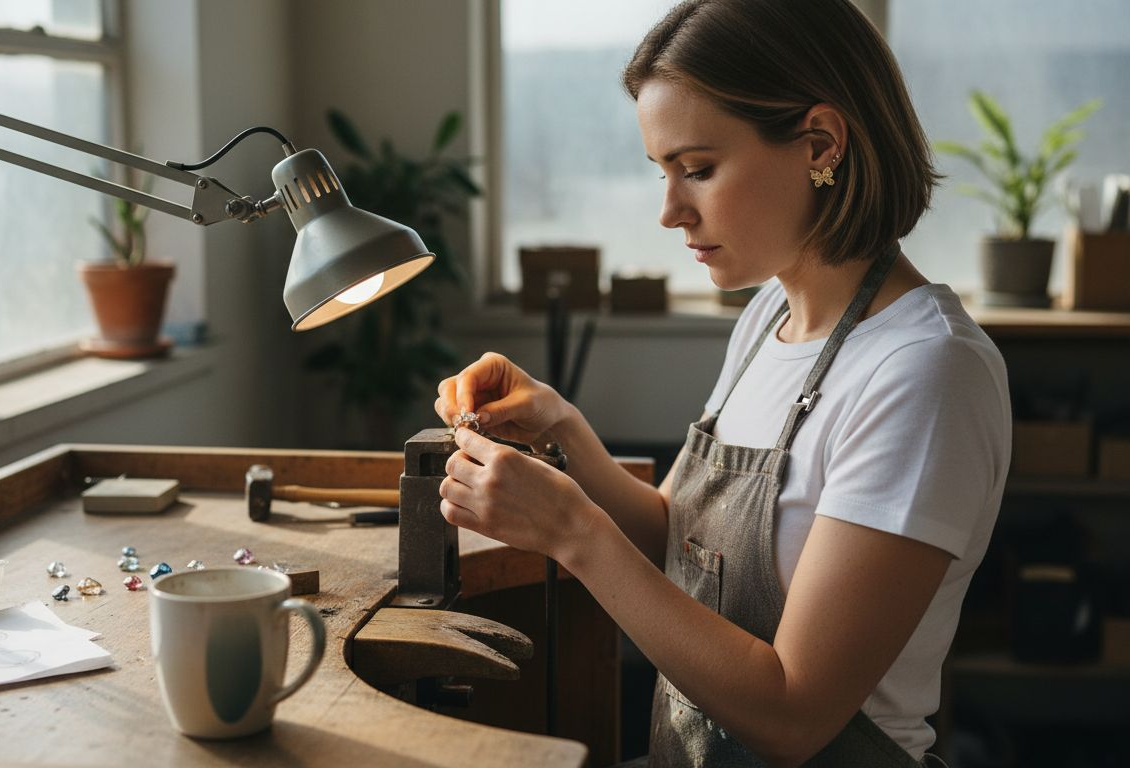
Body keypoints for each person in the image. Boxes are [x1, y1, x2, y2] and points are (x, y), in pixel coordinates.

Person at [433, 0, 1010, 765]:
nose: (671, 211)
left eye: (697, 170)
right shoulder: (768, 313)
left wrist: (572, 531)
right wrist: (562, 430)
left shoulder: (925, 373)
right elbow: (681, 544)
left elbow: (794, 712)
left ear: (821, 144)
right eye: (663, 172)